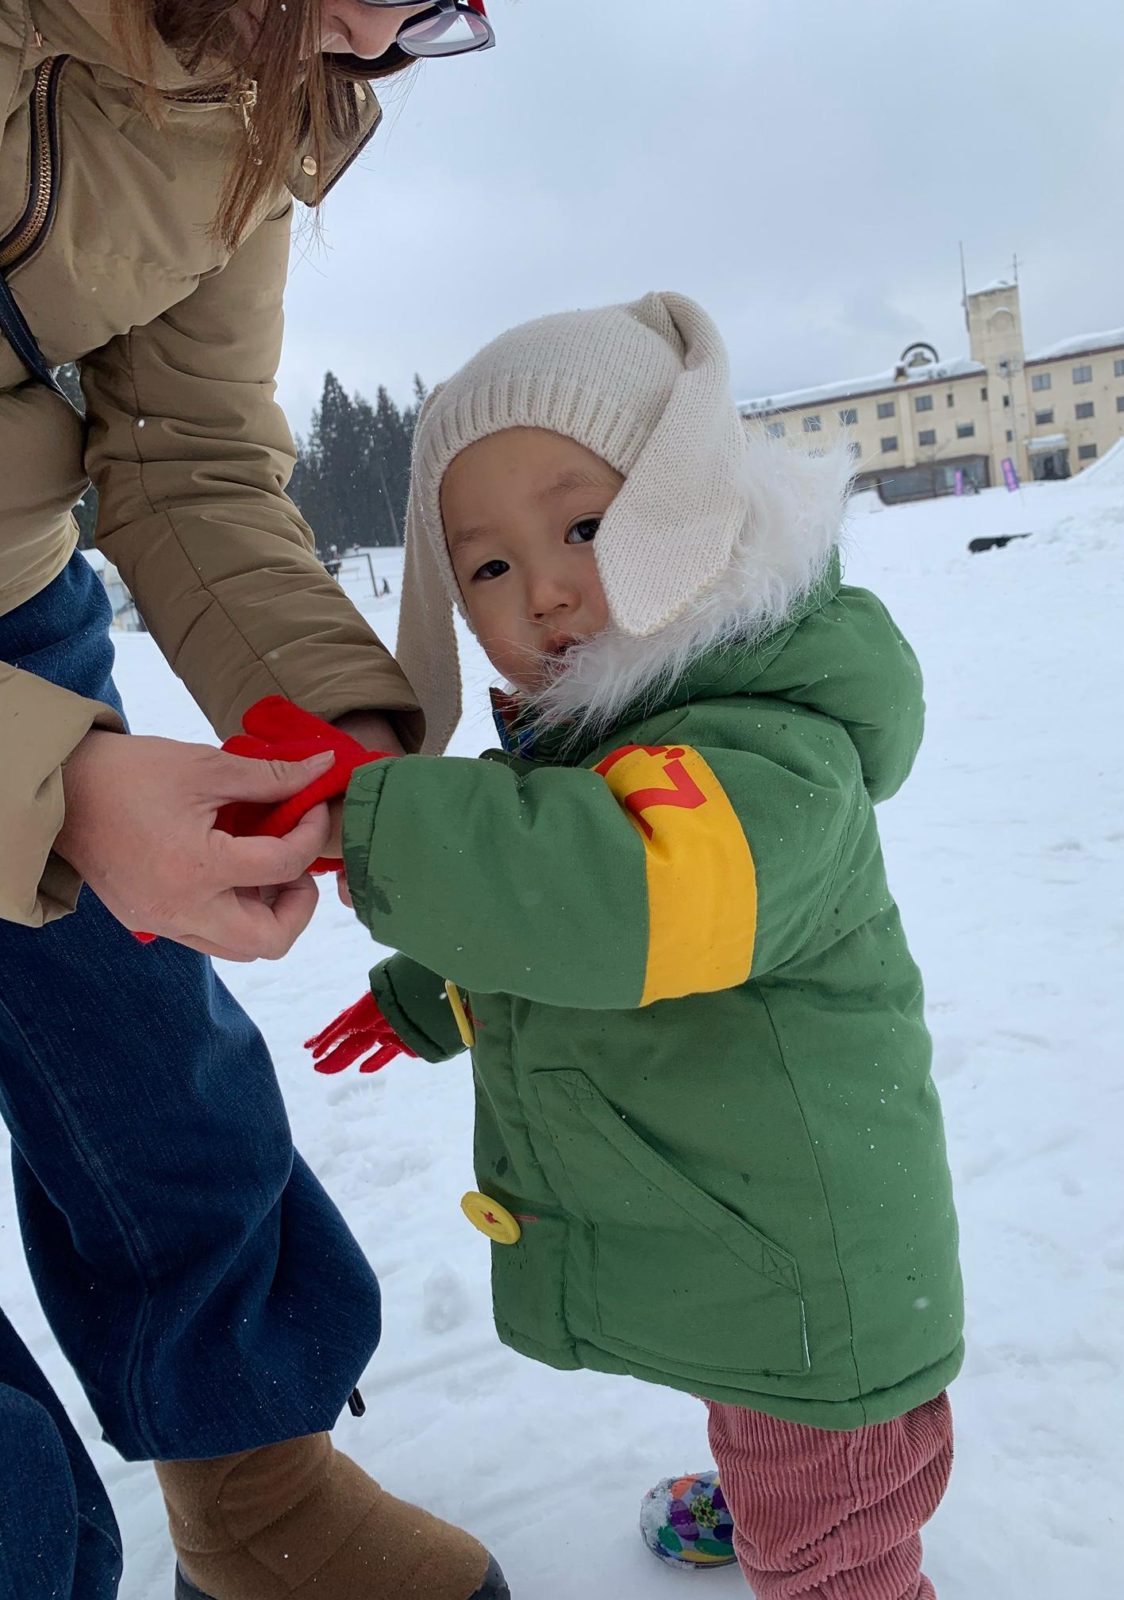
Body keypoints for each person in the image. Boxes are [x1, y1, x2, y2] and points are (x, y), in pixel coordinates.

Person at [299, 292, 964, 1600]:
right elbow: (556, 914)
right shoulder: (615, 742)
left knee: (833, 1532)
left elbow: (620, 898)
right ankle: (774, 1497)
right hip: (744, 1238)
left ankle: (813, 1543)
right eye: (486, 568)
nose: (542, 589)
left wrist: (373, 823)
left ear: (694, 506)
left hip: (818, 1274)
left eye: (586, 527)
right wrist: (429, 995)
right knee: (764, 1412)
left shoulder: (773, 749)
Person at [0, 3, 506, 1598]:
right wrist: (52, 790)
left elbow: (184, 449)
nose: (382, 30)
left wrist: (336, 733)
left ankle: (252, 1489)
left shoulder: (271, 81)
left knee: (155, 1070)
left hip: (15, 602)